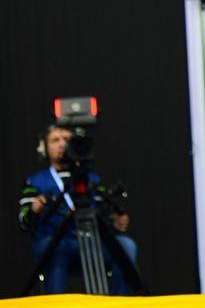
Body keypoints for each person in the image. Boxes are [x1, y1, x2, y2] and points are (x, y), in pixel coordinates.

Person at [19, 124, 138, 294]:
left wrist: (115, 221)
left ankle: (121, 302)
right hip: (55, 240)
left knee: (126, 245)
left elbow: (105, 211)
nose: (61, 144)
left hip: (90, 241)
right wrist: (33, 209)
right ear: (44, 148)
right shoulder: (35, 182)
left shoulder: (90, 179)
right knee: (56, 248)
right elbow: (23, 222)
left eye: (67, 139)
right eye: (55, 140)